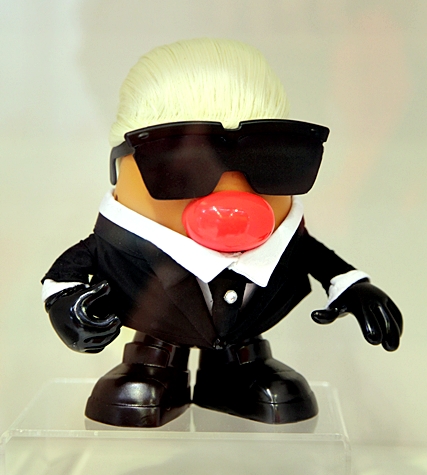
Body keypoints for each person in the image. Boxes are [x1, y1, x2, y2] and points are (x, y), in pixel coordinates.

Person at [42, 38, 403, 427]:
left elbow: (319, 258)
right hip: (158, 332)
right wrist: (66, 304)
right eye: (181, 169)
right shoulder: (119, 246)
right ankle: (155, 366)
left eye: (269, 161)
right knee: (154, 356)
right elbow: (68, 272)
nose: (231, 199)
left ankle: (238, 371)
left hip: (243, 339)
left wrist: (352, 287)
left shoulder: (286, 245)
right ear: (120, 169)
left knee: (243, 354)